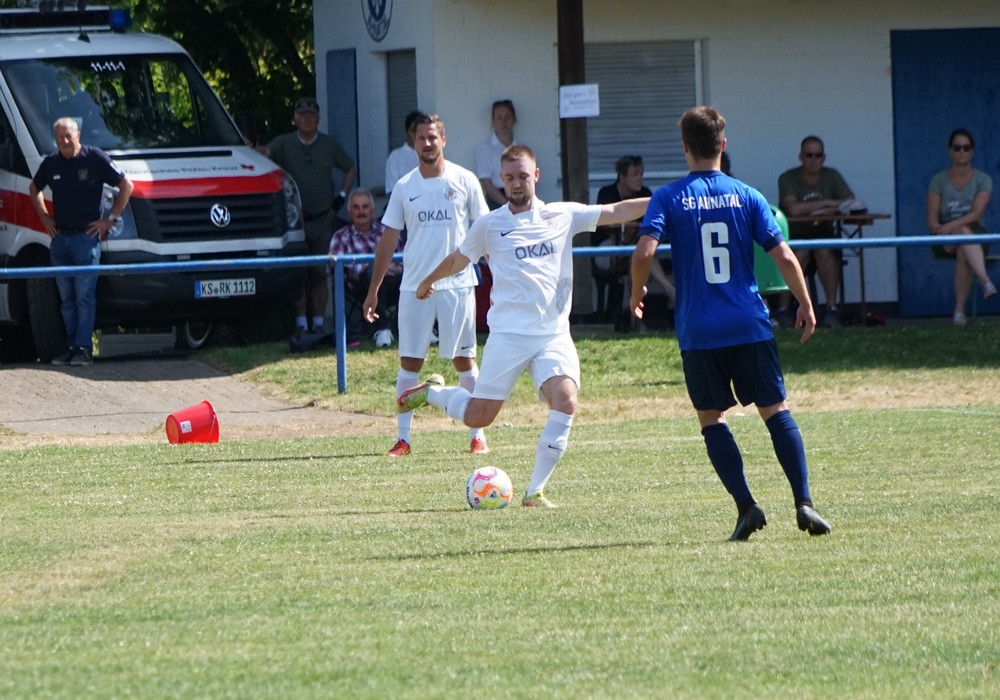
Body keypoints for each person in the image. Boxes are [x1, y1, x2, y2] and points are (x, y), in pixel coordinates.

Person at [397, 144, 650, 508]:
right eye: (510, 177)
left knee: (566, 399)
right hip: (508, 337)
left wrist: (665, 201)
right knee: (479, 415)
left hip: (552, 335)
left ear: (536, 175)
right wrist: (428, 279)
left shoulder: (562, 214)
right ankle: (433, 392)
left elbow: (617, 211)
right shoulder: (489, 225)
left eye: (523, 176)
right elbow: (459, 258)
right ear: (502, 179)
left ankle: (535, 492)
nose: (517, 183)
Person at [630, 106, 831, 541]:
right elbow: (784, 255)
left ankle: (746, 506)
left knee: (711, 417)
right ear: (723, 145)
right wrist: (805, 302)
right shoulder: (748, 195)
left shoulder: (669, 197)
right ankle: (804, 503)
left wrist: (637, 292)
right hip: (748, 324)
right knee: (775, 410)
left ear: (685, 147)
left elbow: (645, 251)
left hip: (699, 330)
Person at [364, 113, 489, 457]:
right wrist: (374, 290)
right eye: (421, 138)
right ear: (413, 143)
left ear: (443, 140)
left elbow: (485, 231)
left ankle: (477, 436)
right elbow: (388, 240)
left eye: (433, 137)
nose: (428, 143)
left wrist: (501, 276)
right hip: (414, 288)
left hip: (458, 286)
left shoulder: (465, 180)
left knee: (464, 361)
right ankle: (403, 439)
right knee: (409, 363)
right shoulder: (405, 187)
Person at [29, 116, 134, 367]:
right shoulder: (51, 163)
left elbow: (126, 185)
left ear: (78, 135)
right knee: (66, 299)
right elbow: (34, 189)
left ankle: (84, 348)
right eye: (60, 137)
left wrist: (110, 220)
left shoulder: (95, 158)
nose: (65, 141)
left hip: (86, 239)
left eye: (69, 136)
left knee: (84, 297)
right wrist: (44, 216)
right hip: (60, 240)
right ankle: (71, 347)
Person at [258, 97, 356, 337]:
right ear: (295, 118)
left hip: (323, 217)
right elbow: (265, 154)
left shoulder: (328, 144)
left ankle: (319, 323)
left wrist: (341, 197)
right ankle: (301, 324)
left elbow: (350, 168)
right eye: (302, 115)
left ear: (318, 119)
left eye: (311, 115)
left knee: (320, 273)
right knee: (299, 274)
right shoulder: (284, 142)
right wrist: (251, 147)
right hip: (296, 221)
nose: (307, 119)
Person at [777, 135, 855, 328]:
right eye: (809, 155)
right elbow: (793, 209)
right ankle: (783, 310)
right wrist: (828, 204)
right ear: (801, 157)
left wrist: (816, 209)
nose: (813, 160)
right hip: (795, 237)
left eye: (818, 155)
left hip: (824, 235)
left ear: (824, 158)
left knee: (824, 251)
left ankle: (831, 309)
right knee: (799, 254)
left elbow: (850, 203)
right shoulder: (788, 178)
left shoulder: (832, 176)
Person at [594, 155, 675, 331]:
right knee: (639, 253)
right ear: (622, 177)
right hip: (606, 249)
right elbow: (602, 227)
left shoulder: (645, 194)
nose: (640, 178)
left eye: (641, 174)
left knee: (640, 253)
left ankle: (636, 318)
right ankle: (669, 292)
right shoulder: (606, 193)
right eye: (635, 174)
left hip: (634, 249)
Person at [925, 128, 997, 326]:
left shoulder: (983, 179)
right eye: (957, 148)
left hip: (975, 234)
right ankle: (985, 281)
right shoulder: (938, 180)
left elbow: (976, 214)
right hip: (944, 236)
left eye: (966, 147)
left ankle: (959, 312)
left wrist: (952, 226)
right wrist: (943, 230)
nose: (962, 152)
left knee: (964, 246)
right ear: (950, 151)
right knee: (963, 236)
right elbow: (931, 220)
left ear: (972, 151)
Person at [328, 189, 402, 348]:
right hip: (361, 287)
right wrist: (381, 267)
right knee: (372, 270)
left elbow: (403, 256)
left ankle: (416, 327)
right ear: (349, 212)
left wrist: (396, 267)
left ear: (372, 211)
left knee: (416, 272)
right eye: (356, 207)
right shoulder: (340, 236)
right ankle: (381, 329)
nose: (361, 212)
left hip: (393, 282)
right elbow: (333, 267)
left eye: (365, 207)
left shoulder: (386, 230)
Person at [474, 99, 518, 210]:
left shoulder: (522, 149)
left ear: (514, 120)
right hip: (496, 201)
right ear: (493, 121)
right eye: (499, 118)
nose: (504, 122)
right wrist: (508, 206)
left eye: (507, 117)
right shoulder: (484, 149)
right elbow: (486, 182)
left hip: (519, 198)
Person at [385, 110, 421, 196]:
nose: (416, 134)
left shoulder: (432, 155)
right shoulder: (396, 157)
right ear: (407, 132)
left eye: (419, 130)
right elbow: (392, 190)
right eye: (412, 130)